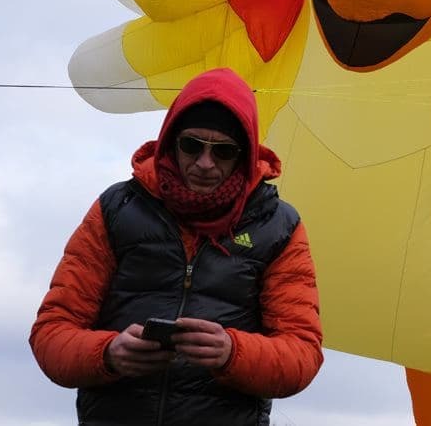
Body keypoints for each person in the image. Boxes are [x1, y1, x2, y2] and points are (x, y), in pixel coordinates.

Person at [29, 68, 323, 425]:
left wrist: (234, 352)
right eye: (192, 145)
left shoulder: (278, 226)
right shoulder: (116, 209)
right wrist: (108, 353)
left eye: (224, 152)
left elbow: (302, 353)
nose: (204, 163)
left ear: (244, 155)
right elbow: (51, 333)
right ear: (171, 140)